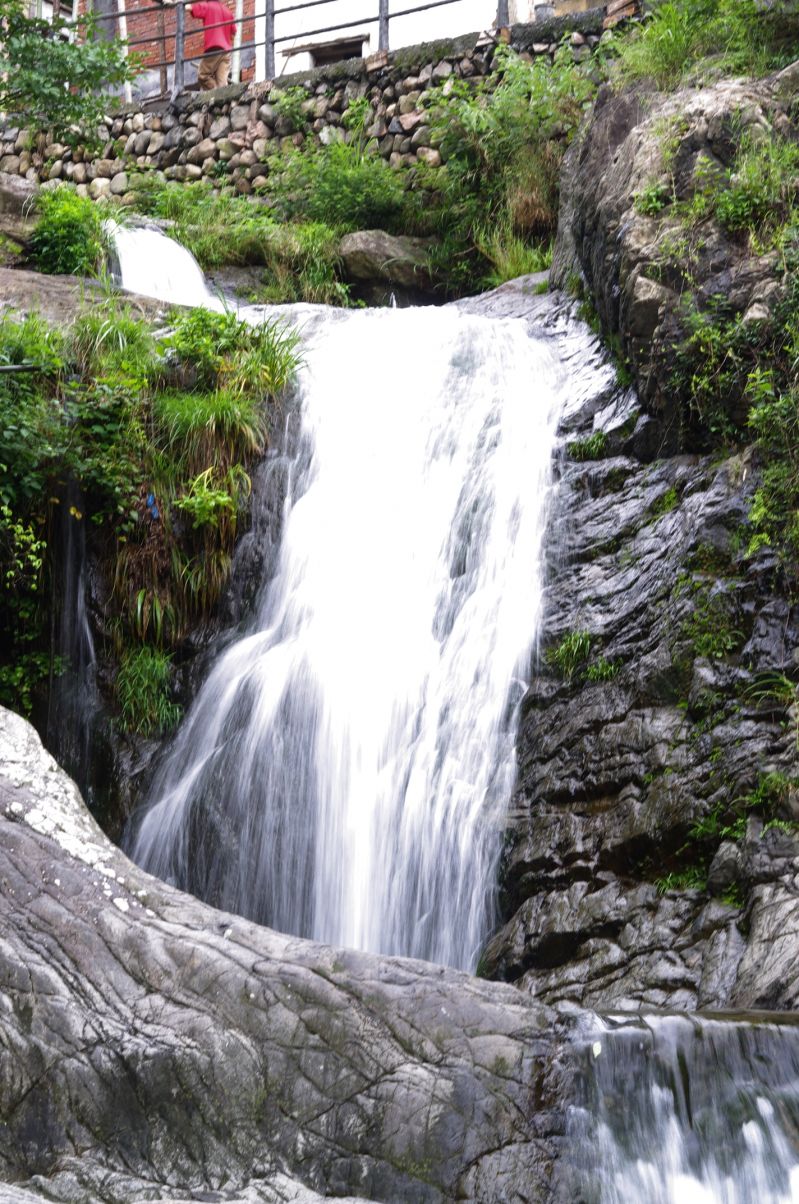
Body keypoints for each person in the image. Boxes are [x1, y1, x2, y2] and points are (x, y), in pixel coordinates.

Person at [187, 0, 235, 91]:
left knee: (203, 75)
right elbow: (233, 33)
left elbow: (189, 7)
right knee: (222, 83)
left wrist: (173, 2)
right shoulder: (227, 11)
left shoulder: (208, 6)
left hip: (214, 48)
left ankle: (215, 93)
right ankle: (223, 98)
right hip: (226, 51)